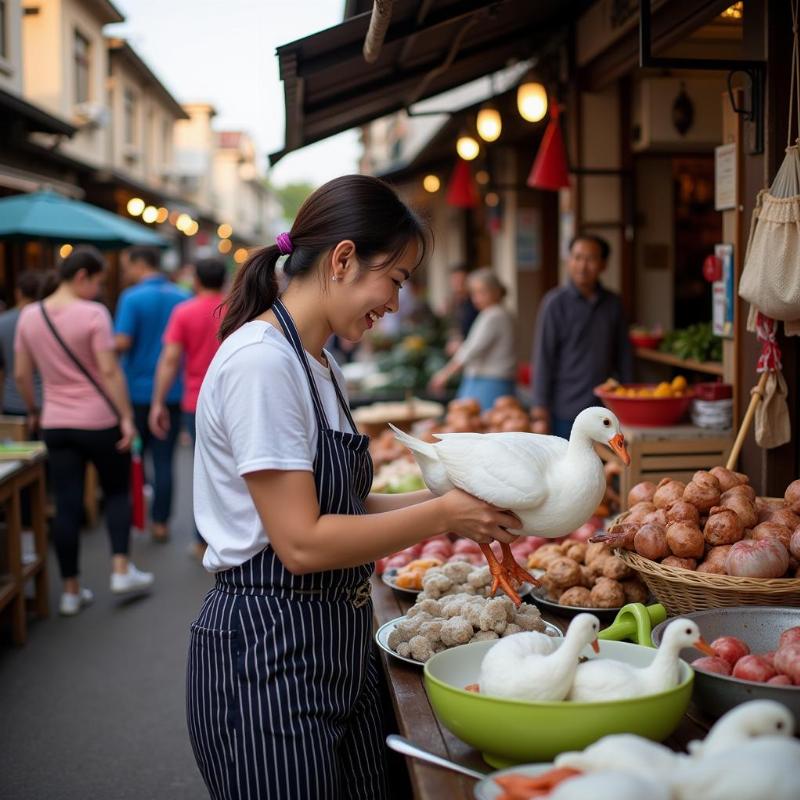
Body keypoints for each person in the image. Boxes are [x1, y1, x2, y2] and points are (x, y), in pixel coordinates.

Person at [186, 175, 521, 800]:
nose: (395, 303)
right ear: (343, 260)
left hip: (332, 644)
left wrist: (463, 500)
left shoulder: (317, 362)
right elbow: (303, 542)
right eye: (394, 279)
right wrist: (446, 512)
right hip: (269, 653)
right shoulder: (262, 363)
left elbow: (347, 506)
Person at [14, 246, 154, 616]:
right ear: (81, 277)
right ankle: (121, 569)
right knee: (118, 492)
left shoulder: (29, 315)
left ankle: (71, 592)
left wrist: (35, 409)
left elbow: (21, 374)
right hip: (99, 421)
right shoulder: (92, 313)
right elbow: (109, 372)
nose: (98, 288)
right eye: (96, 280)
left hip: (56, 423)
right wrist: (125, 417)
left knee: (66, 504)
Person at [149, 257, 227, 559]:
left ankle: (202, 539)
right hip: (234, 398)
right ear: (222, 280)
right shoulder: (235, 307)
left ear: (196, 280)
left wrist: (158, 401)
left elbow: (170, 360)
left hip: (197, 401)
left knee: (205, 470)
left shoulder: (183, 311)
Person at [114, 246, 190, 542]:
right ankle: (161, 523)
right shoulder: (182, 297)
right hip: (172, 392)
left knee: (134, 457)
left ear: (139, 263)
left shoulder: (131, 298)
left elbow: (122, 341)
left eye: (126, 266)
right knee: (164, 460)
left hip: (135, 394)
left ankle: (134, 517)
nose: (125, 273)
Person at [531, 233, 634, 439]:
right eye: (577, 257)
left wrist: (628, 398)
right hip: (565, 410)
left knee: (606, 468)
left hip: (604, 411)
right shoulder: (555, 303)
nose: (582, 265)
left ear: (603, 264)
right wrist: (539, 407)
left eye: (590, 259)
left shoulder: (613, 303)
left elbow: (624, 355)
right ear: (568, 261)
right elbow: (544, 356)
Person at [428, 268, 516, 410]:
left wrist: (444, 375)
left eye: (482, 292)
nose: (477, 298)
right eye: (474, 293)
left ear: (496, 291)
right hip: (487, 381)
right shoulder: (495, 313)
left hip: (489, 383)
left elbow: (471, 350)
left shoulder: (494, 315)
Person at [0, 271, 45, 419]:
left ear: (18, 293)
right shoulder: (47, 321)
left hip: (11, 399)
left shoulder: (3, 322)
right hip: (44, 399)